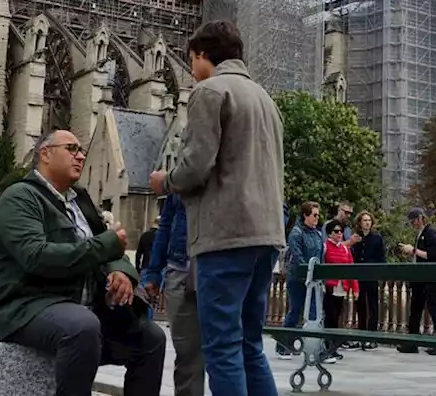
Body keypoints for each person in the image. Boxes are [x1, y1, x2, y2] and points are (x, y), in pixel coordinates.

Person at [149, 20, 285, 396]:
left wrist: (166, 181)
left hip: (226, 235)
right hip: (266, 235)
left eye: (191, 60)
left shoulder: (209, 91)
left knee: (222, 346)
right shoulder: (264, 98)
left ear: (204, 55)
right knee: (249, 345)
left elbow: (195, 167)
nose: (191, 70)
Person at [0, 129, 164, 396]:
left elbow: (113, 253)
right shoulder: (20, 197)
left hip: (78, 305)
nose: (80, 156)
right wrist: (106, 246)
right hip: (24, 306)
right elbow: (36, 256)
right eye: (71, 149)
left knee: (151, 338)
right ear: (45, 153)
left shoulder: (80, 201)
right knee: (82, 326)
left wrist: (119, 272)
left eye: (81, 151)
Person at [140, 192, 203, 396]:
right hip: (181, 268)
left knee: (230, 353)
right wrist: (154, 272)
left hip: (220, 268)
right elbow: (166, 224)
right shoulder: (179, 177)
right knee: (188, 356)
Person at [276, 201, 325, 359]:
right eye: (314, 215)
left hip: (314, 280)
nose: (317, 218)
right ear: (305, 215)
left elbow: (320, 256)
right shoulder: (296, 233)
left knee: (314, 313)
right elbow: (298, 257)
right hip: (297, 278)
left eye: (318, 215)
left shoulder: (317, 233)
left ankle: (313, 347)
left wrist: (320, 276)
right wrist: (307, 272)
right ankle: (283, 345)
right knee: (295, 311)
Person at [397, 207, 436, 354]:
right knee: (415, 309)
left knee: (432, 307)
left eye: (413, 221)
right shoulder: (420, 234)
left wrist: (412, 250)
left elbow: (433, 255)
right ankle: (412, 342)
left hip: (430, 276)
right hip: (419, 276)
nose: (413, 224)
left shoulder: (431, 233)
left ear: (420, 218)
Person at [320, 220, 356, 363]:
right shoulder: (324, 247)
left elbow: (350, 267)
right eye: (336, 231)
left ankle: (333, 348)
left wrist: (355, 287)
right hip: (329, 287)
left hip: (342, 287)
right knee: (330, 317)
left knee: (338, 317)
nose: (339, 234)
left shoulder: (345, 249)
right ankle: (327, 349)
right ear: (329, 233)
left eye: (341, 231)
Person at [350, 210, 385, 349]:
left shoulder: (377, 238)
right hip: (359, 275)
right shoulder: (356, 238)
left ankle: (372, 337)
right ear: (360, 222)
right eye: (364, 220)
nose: (367, 223)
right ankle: (361, 335)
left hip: (371, 275)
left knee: (373, 306)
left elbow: (381, 258)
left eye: (369, 220)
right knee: (360, 306)